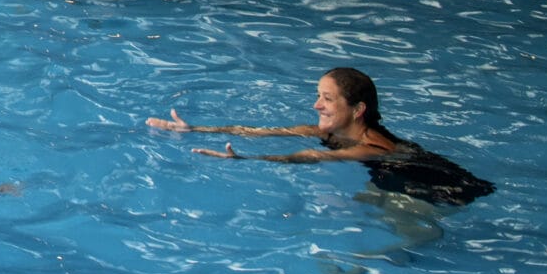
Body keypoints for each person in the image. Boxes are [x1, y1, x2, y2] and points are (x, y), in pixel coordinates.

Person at [147, 66, 495, 207]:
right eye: (318, 96)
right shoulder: (329, 131)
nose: (316, 105)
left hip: (443, 188)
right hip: (399, 182)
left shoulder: (372, 147)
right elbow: (260, 131)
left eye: (327, 99)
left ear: (357, 109)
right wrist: (196, 129)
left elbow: (314, 157)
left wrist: (247, 160)